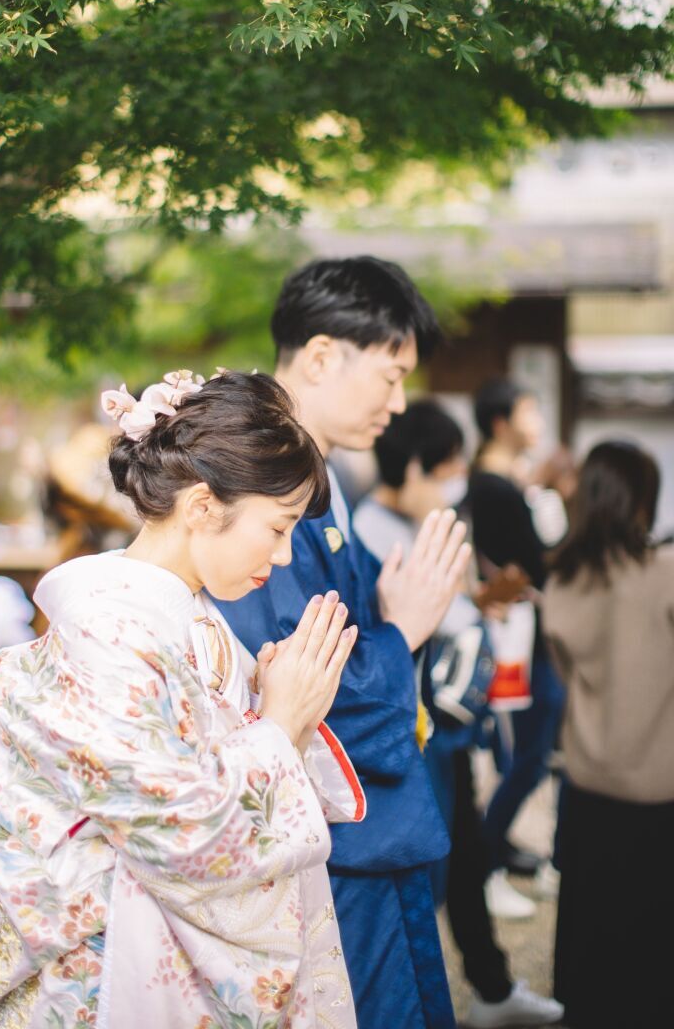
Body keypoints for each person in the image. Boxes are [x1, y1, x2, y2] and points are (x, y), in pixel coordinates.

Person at [0, 369, 367, 1029]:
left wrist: (281, 714)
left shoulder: (186, 615)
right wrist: (281, 724)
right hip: (118, 973)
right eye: (277, 528)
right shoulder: (109, 628)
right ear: (202, 506)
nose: (283, 558)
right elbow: (180, 835)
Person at [217, 257, 472, 1029]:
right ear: (323, 355)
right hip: (323, 842)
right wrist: (406, 628)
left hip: (350, 834)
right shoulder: (260, 479)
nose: (399, 403)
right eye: (391, 375)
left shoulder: (316, 482)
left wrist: (398, 623)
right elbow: (295, 682)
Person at [355, 400, 564, 1029]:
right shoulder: (374, 533)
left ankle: (491, 989)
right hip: (415, 731)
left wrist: (475, 601)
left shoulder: (399, 522)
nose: (455, 481)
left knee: (463, 854)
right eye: (447, 468)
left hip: (440, 725)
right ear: (416, 467)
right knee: (435, 866)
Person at [544, 440, 674, 1029]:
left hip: (588, 784)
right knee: (651, 946)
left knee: (590, 934)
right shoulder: (663, 575)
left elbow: (569, 675)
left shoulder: (562, 580)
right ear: (642, 500)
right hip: (658, 790)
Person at [466, 379, 565, 919]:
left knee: (522, 755)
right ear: (501, 421)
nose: (539, 421)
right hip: (518, 636)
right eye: (529, 411)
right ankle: (485, 864)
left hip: (525, 633)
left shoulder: (503, 481)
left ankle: (494, 854)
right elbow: (533, 563)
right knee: (524, 756)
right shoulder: (495, 486)